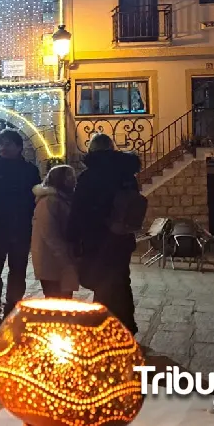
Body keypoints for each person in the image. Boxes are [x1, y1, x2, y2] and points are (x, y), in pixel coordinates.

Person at [68, 133, 140, 334]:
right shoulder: (127, 174)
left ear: (91, 150)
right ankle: (126, 325)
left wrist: (73, 238)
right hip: (122, 236)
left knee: (101, 282)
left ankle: (102, 326)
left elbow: (79, 210)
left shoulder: (89, 176)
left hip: (97, 237)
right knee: (121, 280)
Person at [0, 129, 41, 337]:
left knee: (17, 271)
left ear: (19, 147)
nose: (4, 147)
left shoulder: (29, 170)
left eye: (9, 144)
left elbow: (35, 199)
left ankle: (12, 309)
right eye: (2, 143)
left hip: (20, 229)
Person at [32, 165, 78, 299]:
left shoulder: (63, 199)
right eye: (69, 176)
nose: (73, 179)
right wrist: (64, 256)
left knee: (64, 298)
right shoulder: (49, 200)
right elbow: (49, 232)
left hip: (61, 258)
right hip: (51, 259)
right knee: (55, 300)